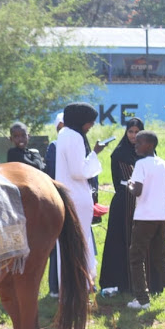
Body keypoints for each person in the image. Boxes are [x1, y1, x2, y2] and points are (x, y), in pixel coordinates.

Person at [126, 130, 165, 311]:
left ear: (149, 145)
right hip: (161, 216)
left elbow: (137, 191)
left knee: (136, 257)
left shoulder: (141, 164)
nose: (135, 145)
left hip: (144, 217)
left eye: (139, 143)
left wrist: (129, 184)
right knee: (161, 258)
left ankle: (142, 299)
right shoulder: (164, 164)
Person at [99, 118, 157, 297]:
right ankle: (120, 282)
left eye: (136, 132)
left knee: (143, 240)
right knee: (120, 240)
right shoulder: (119, 153)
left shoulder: (149, 153)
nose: (133, 135)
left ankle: (147, 281)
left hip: (145, 200)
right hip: (124, 201)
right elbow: (118, 182)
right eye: (130, 131)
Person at [55, 102, 105, 290]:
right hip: (77, 195)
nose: (90, 126)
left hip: (66, 195)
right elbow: (78, 171)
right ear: (80, 120)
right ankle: (82, 284)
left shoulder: (63, 134)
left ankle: (67, 286)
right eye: (89, 122)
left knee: (66, 244)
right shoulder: (75, 137)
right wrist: (95, 154)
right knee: (81, 241)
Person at [44, 113, 64, 298]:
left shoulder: (82, 144)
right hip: (59, 199)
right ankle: (55, 287)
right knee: (57, 245)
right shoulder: (54, 147)